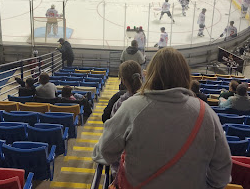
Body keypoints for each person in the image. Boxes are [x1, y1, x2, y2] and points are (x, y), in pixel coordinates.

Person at [92, 47, 232, 189]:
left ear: (151, 74)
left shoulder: (132, 107)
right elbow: (222, 172)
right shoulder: (206, 113)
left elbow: (104, 151)